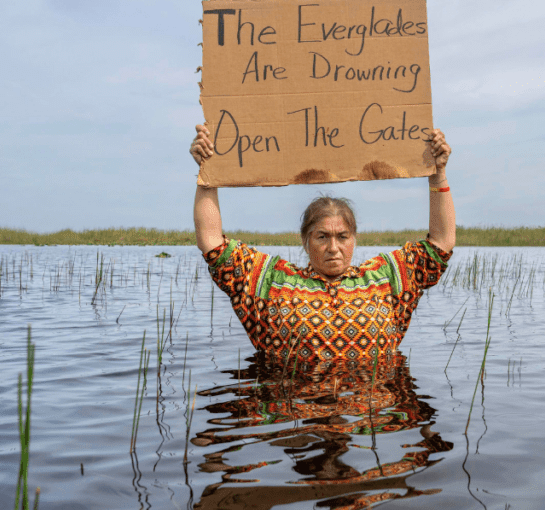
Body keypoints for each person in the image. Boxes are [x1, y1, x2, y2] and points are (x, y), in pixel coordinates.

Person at [190, 123, 455, 362]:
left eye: (342, 237)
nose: (333, 247)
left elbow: (441, 243)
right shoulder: (272, 282)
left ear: (354, 239)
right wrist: (207, 173)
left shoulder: (385, 279)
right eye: (322, 237)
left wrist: (438, 172)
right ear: (306, 241)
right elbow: (213, 243)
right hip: (294, 408)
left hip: (367, 413)